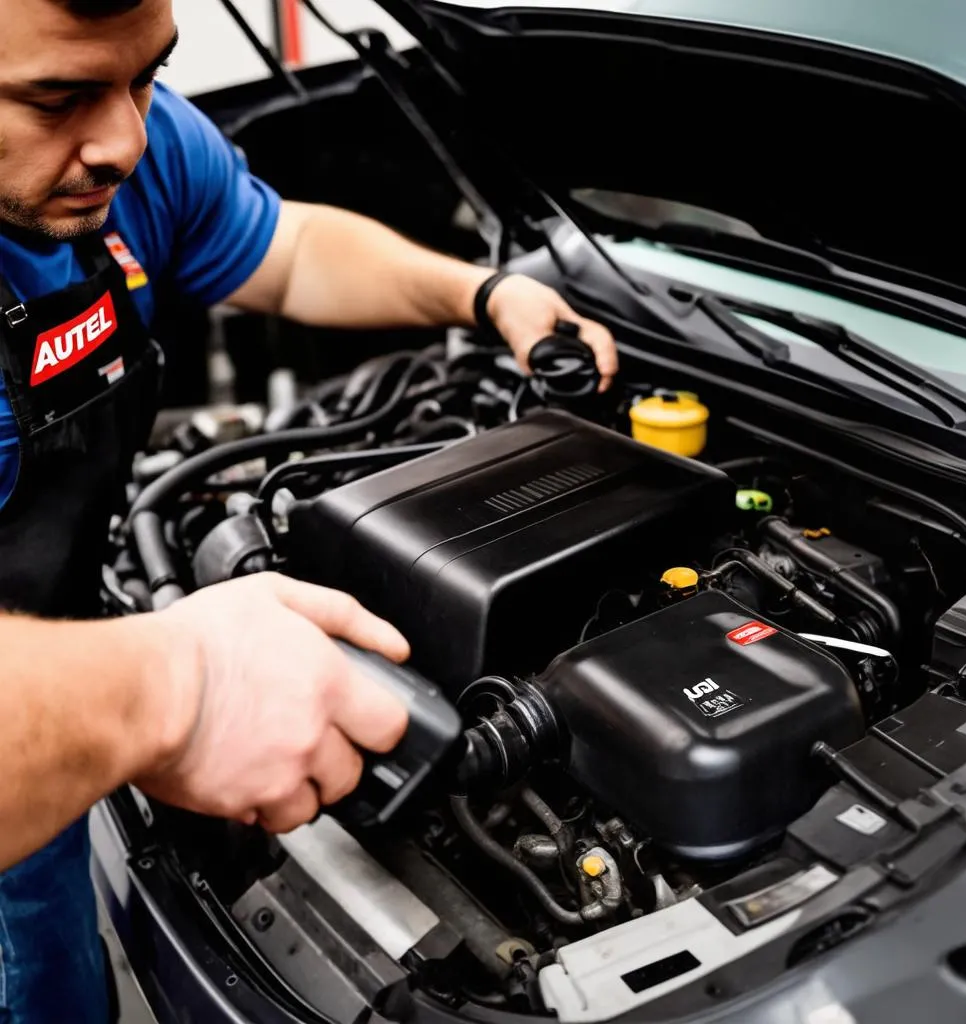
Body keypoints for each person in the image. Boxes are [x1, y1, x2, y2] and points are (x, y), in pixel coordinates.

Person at [0, 0, 618, 1020]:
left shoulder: (130, 146)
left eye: (146, 76)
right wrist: (169, 690)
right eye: (56, 98)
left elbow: (282, 250)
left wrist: (484, 295)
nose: (124, 139)